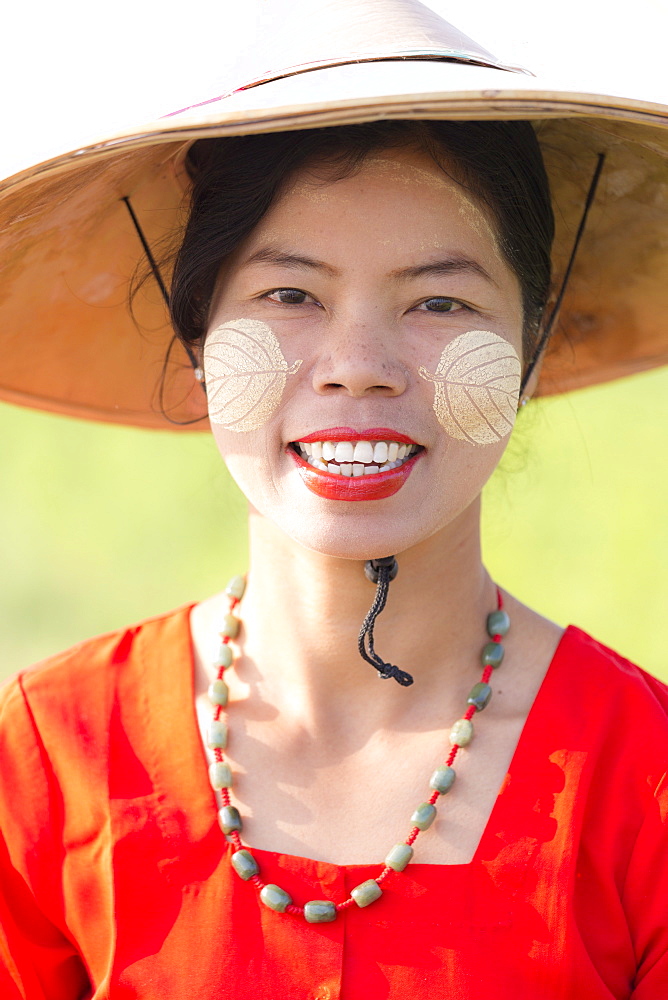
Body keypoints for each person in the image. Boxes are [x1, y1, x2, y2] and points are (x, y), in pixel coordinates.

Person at [1, 1, 667, 997]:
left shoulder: (642, 780)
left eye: (438, 301)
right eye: (289, 294)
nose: (357, 367)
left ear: (528, 353)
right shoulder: (51, 757)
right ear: (198, 351)